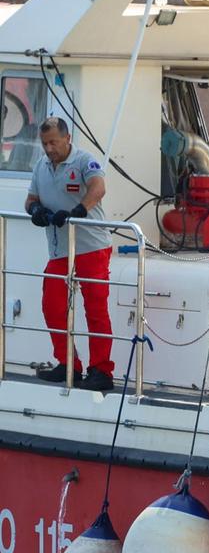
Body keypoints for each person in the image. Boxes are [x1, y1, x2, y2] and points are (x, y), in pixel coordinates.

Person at [25, 117, 114, 392]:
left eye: (53, 142)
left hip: (92, 247)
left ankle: (101, 370)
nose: (49, 148)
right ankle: (68, 365)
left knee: (95, 309)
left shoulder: (84, 161)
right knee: (52, 305)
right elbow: (31, 200)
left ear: (67, 138)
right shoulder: (41, 166)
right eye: (44, 143)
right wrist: (36, 211)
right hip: (60, 250)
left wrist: (79, 211)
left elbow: (99, 187)